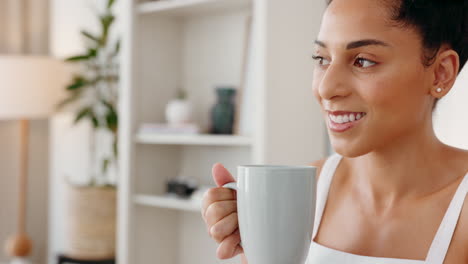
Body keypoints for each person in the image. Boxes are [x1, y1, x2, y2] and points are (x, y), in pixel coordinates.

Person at [201, 0, 468, 263]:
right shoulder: (305, 191)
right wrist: (257, 247)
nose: (326, 88)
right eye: (322, 59)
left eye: (363, 61)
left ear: (440, 73)